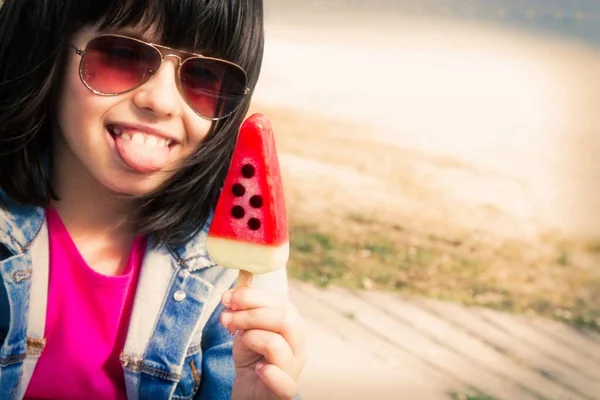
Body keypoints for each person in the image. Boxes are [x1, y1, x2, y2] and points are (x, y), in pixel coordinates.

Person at [0, 0, 307, 399]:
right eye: (123, 55)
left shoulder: (227, 275)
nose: (161, 102)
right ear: (48, 50)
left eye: (205, 75)